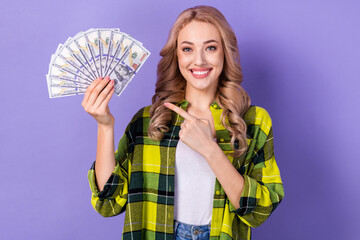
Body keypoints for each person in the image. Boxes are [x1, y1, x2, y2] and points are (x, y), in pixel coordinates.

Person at [82, 5, 284, 240]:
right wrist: (105, 126)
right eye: (187, 49)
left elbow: (260, 211)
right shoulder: (149, 121)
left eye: (210, 47)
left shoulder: (253, 121)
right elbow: (108, 202)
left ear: (224, 53)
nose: (199, 60)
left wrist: (211, 150)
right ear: (176, 56)